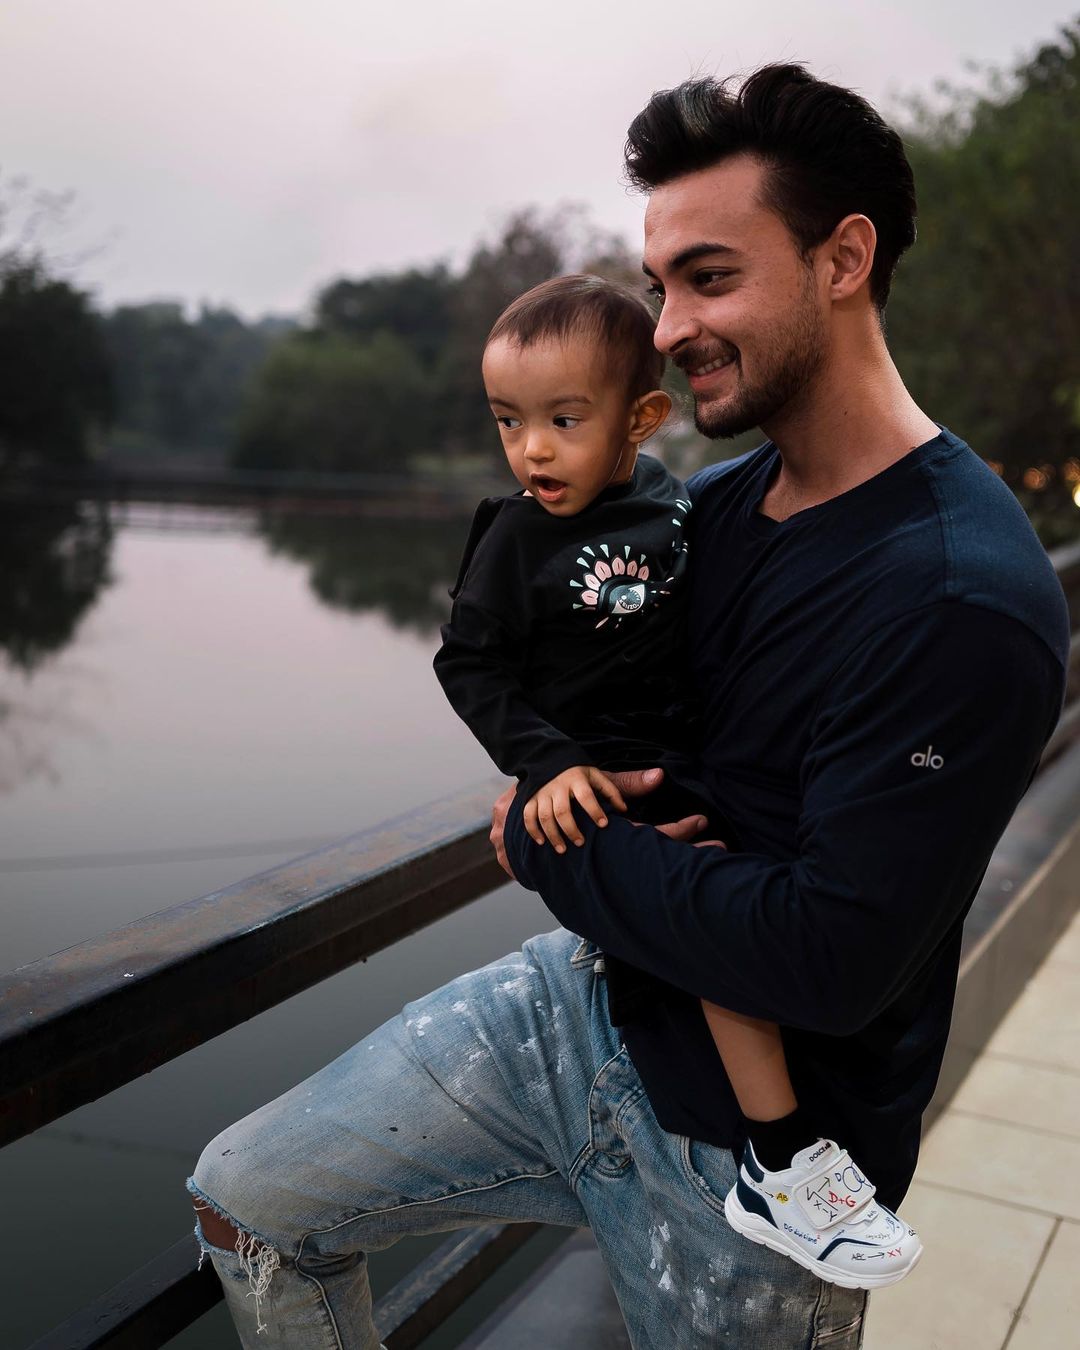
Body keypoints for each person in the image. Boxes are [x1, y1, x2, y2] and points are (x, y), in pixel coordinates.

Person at [188, 64, 1069, 1349]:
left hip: (758, 1161)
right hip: (593, 999)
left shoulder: (958, 595)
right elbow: (553, 679)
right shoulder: (706, 508)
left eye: (708, 278)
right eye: (659, 286)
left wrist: (561, 845)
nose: (665, 327)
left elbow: (827, 961)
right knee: (246, 1205)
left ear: (844, 259)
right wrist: (548, 753)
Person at [434, 269, 922, 1288]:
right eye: (508, 421)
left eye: (564, 420)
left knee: (733, 921)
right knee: (715, 938)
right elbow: (469, 663)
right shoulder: (517, 537)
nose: (532, 450)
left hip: (690, 754)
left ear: (641, 419)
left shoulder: (671, 502)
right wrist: (543, 763)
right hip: (598, 770)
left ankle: (766, 1151)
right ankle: (782, 1153)